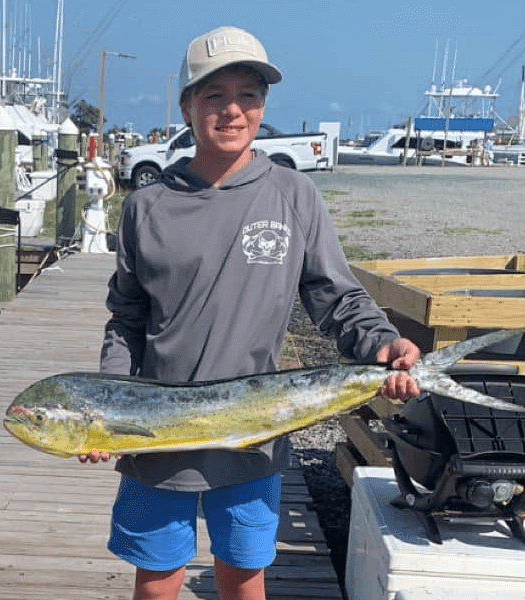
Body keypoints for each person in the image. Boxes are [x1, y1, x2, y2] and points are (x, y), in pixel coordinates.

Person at [81, 26, 422, 600]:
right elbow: (127, 320)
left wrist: (380, 342)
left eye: (249, 94)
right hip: (156, 437)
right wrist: (107, 406)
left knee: (243, 576)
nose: (233, 110)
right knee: (157, 580)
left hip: (255, 435)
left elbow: (336, 297)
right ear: (187, 104)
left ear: (264, 105)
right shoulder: (146, 206)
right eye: (214, 95)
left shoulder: (294, 195)